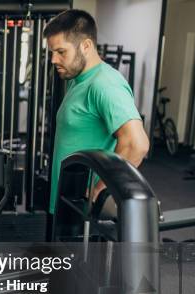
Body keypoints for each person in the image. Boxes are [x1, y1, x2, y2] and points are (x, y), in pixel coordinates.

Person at [44, 9, 150, 214]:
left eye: (61, 52)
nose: (53, 60)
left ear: (85, 46)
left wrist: (99, 190)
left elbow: (137, 144)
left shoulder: (105, 84)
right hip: (65, 199)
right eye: (52, 52)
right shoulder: (78, 79)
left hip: (81, 207)